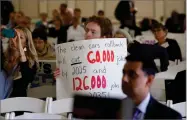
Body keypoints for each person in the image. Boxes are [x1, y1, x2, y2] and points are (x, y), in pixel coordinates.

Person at [122, 54, 182, 119]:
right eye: (124, 73)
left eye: (132, 74)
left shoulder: (170, 117)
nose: (124, 79)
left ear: (149, 80)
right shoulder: (112, 109)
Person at [3, 26, 38, 97]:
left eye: (20, 37)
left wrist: (21, 51)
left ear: (26, 43)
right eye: (14, 36)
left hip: (17, 102)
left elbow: (27, 79)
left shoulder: (30, 61)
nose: (15, 39)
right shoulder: (3, 57)